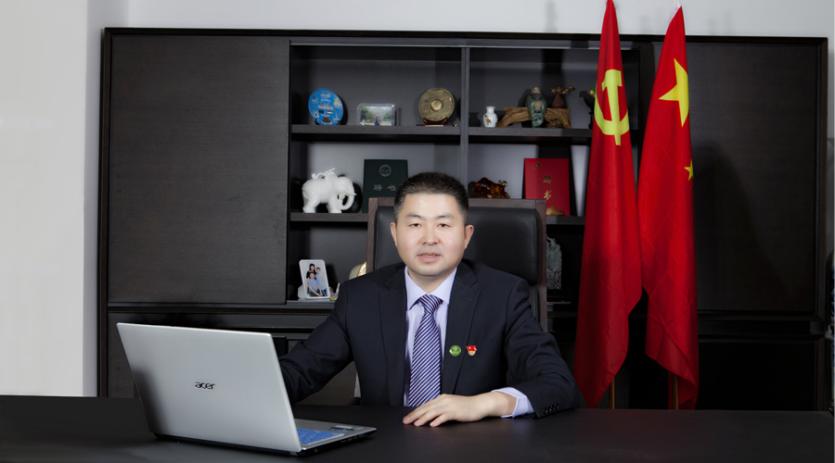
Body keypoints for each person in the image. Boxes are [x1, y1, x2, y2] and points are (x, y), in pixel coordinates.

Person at [280, 172, 579, 426]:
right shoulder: (360, 297)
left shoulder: (502, 296)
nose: (429, 239)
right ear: (395, 234)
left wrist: (484, 403)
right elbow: (299, 371)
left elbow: (558, 383)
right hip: (386, 445)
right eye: (415, 225)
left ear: (466, 236)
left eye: (443, 225)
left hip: (476, 447)